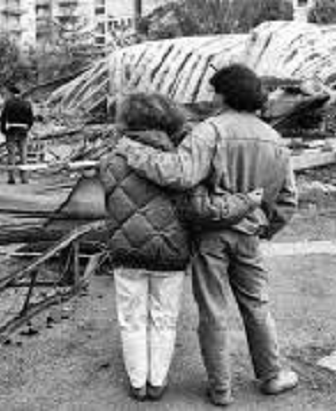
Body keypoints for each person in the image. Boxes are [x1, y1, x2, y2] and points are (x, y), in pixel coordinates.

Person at [118, 64, 299, 406]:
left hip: (211, 236)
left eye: (215, 91)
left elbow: (178, 174)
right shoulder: (274, 138)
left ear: (225, 94)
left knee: (213, 311)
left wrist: (131, 149)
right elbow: (289, 198)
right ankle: (272, 376)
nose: (211, 97)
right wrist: (264, 227)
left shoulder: (209, 131)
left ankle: (221, 389)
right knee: (257, 305)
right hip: (250, 234)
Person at [100, 92, 260, 403]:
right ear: (168, 119)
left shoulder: (110, 160)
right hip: (170, 254)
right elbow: (199, 210)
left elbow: (109, 204)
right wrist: (247, 201)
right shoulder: (182, 162)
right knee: (164, 317)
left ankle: (137, 383)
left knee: (131, 318)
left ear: (127, 120)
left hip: (125, 252)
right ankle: (157, 382)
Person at [0, 85, 34, 184]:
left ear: (11, 93)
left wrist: (3, 130)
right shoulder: (27, 103)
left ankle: (11, 178)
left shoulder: (8, 103)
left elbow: (3, 118)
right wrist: (27, 129)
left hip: (11, 131)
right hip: (23, 131)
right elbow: (31, 119)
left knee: (11, 154)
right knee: (23, 154)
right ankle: (24, 178)